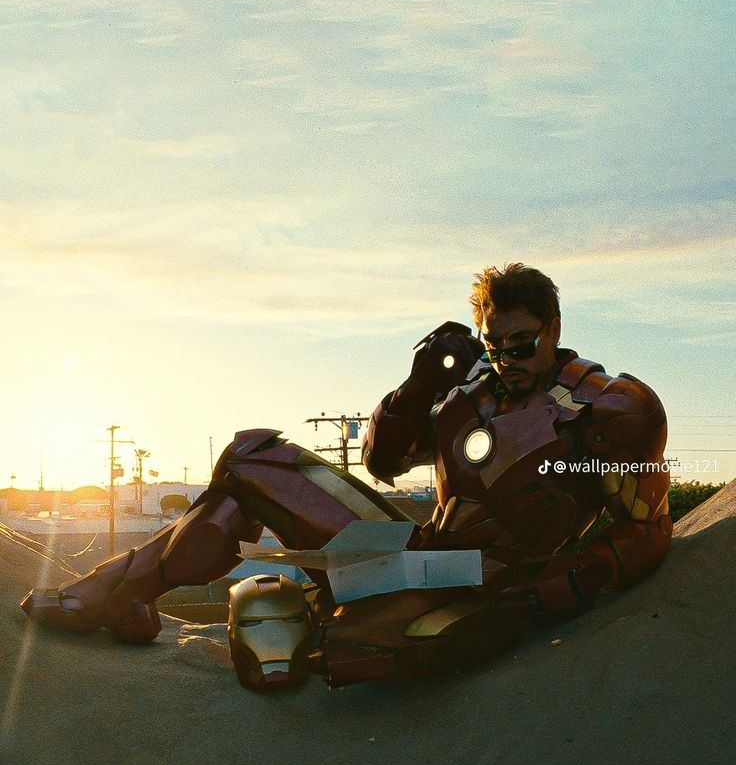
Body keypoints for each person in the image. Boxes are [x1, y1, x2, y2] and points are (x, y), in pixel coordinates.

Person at [21, 263, 671, 688]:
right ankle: (126, 590)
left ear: (554, 328)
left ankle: (343, 630)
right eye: (494, 345)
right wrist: (419, 388)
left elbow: (650, 531)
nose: (506, 360)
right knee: (251, 456)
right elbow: (383, 463)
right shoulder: (472, 390)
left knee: (359, 646)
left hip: (490, 584)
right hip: (415, 555)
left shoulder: (605, 410)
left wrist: (579, 578)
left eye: (522, 344)